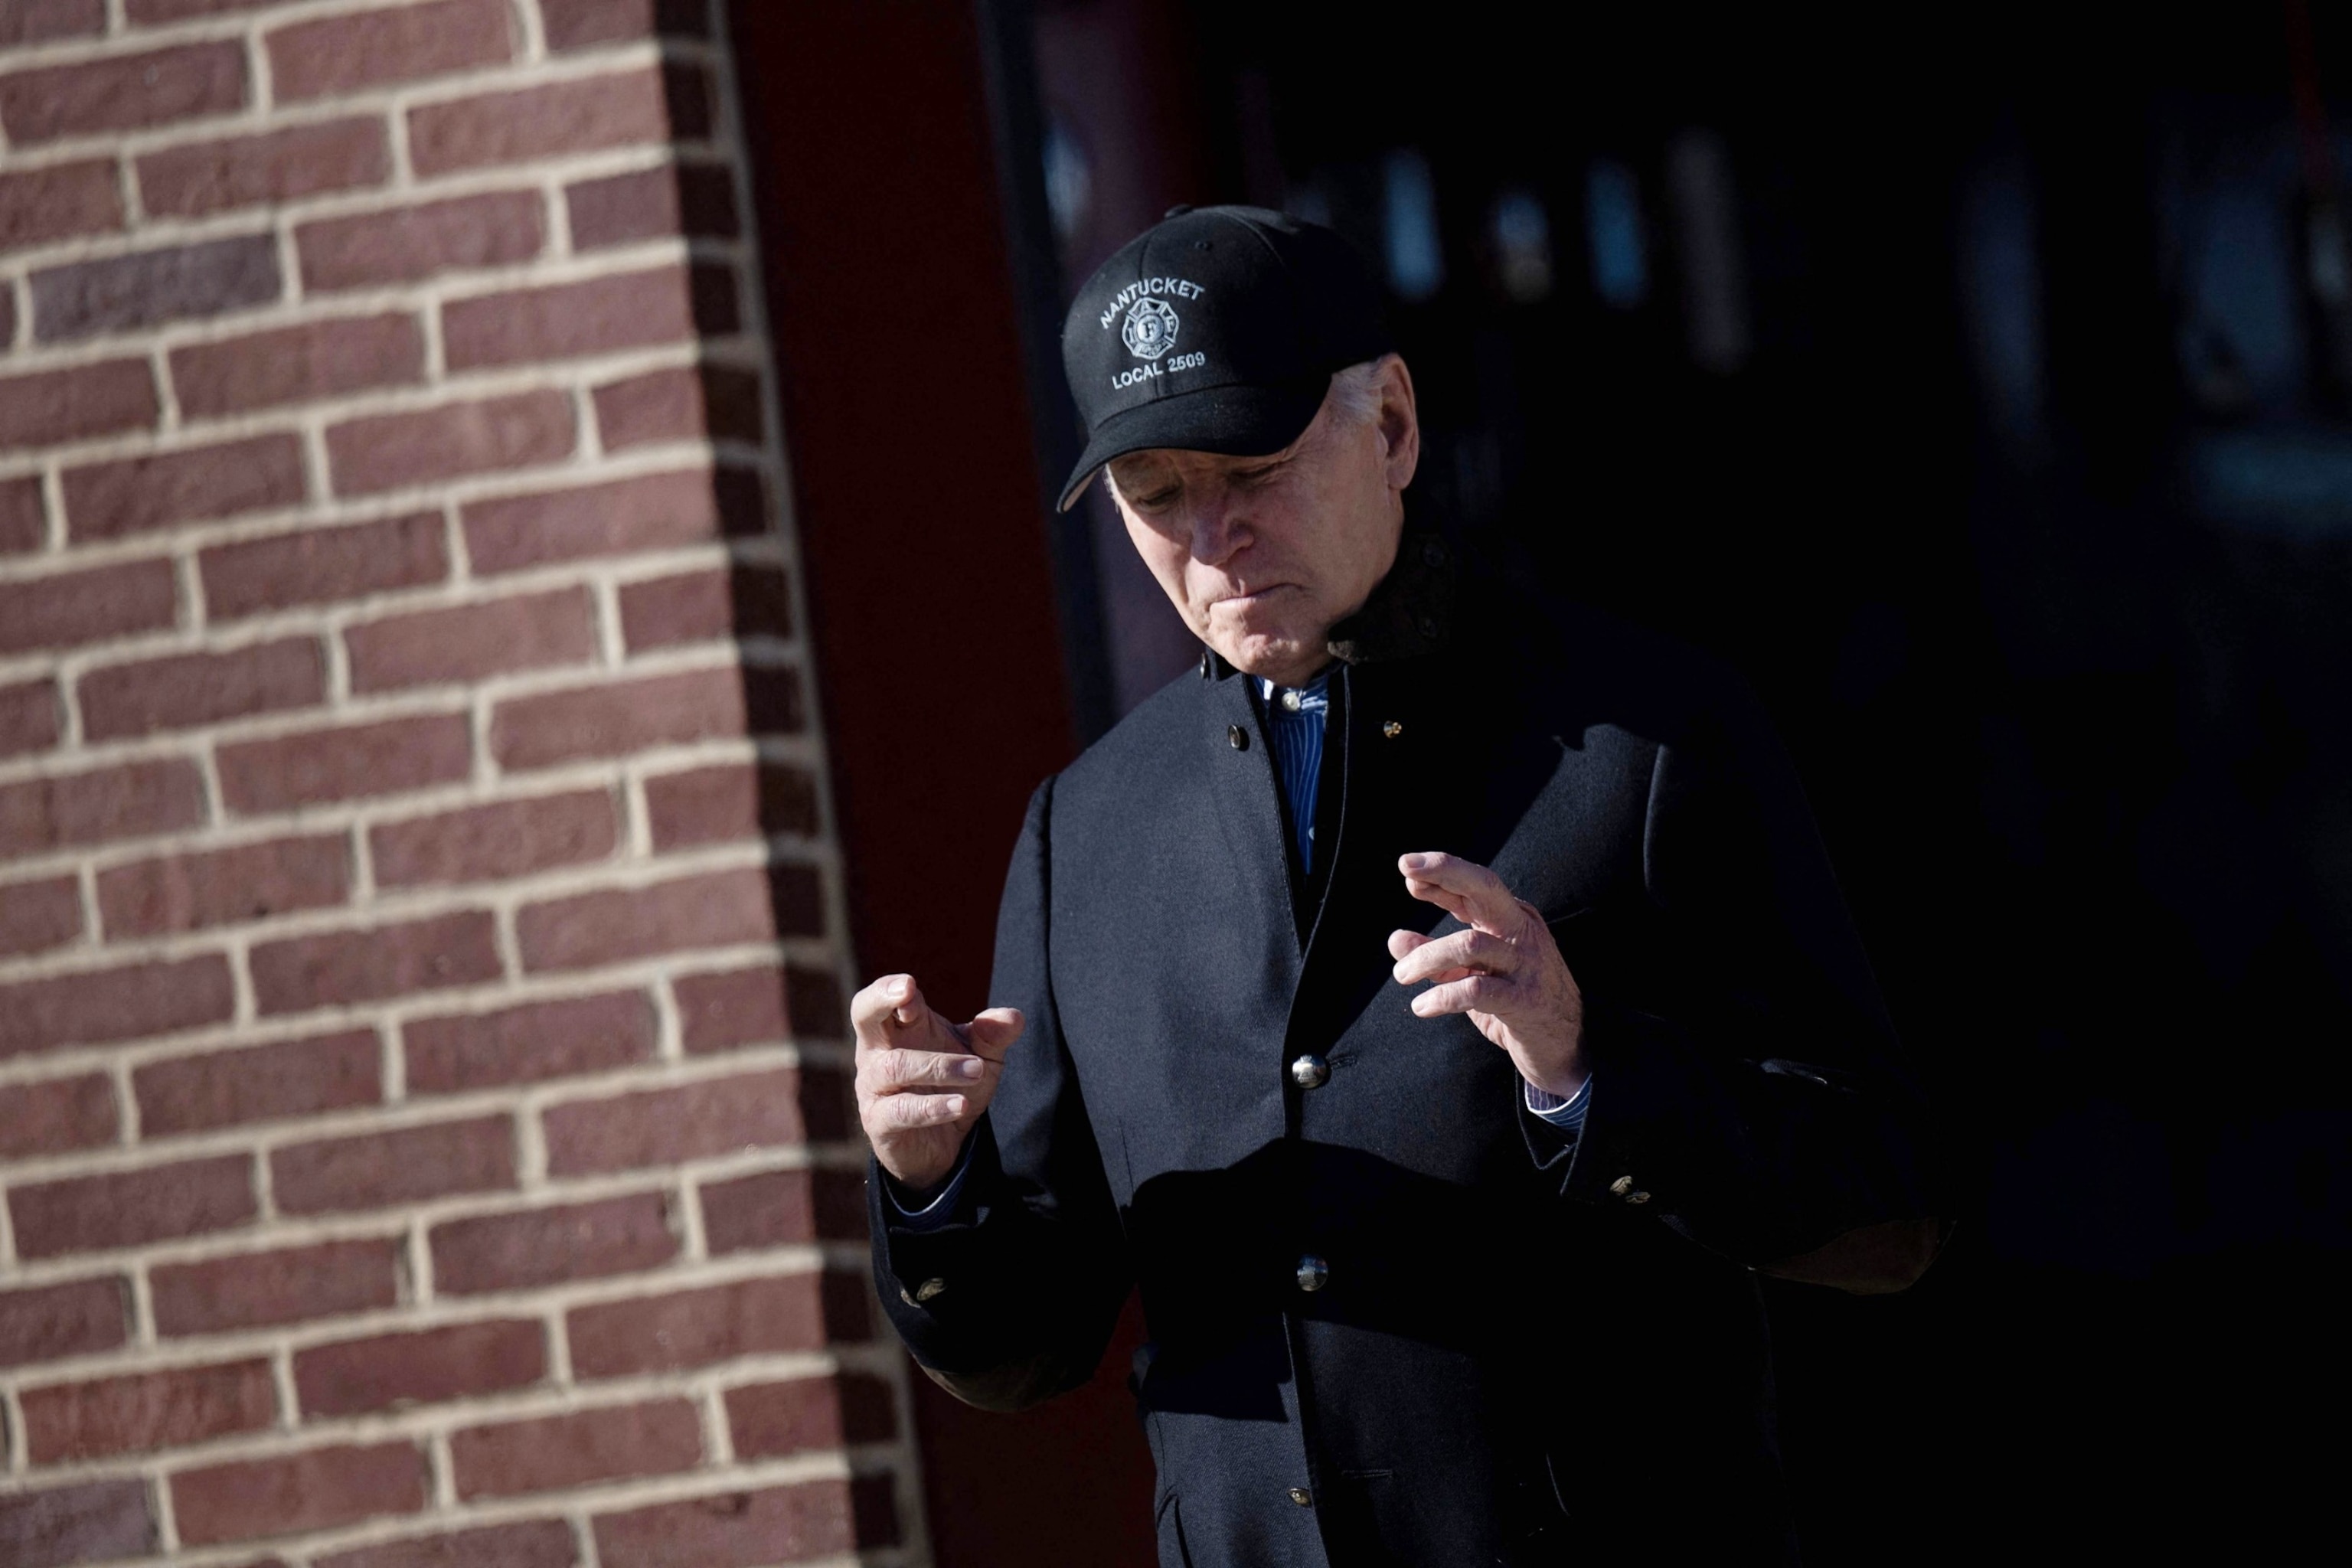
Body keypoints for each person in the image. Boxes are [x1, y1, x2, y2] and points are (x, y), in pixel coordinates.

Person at [855, 205, 1942, 1566]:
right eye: (1158, 497)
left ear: (1394, 426)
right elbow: (1028, 1350)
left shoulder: (1645, 739)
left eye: (1254, 463)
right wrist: (931, 1186)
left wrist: (1586, 1065)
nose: (1216, 537)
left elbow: (1886, 1203)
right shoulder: (1089, 831)